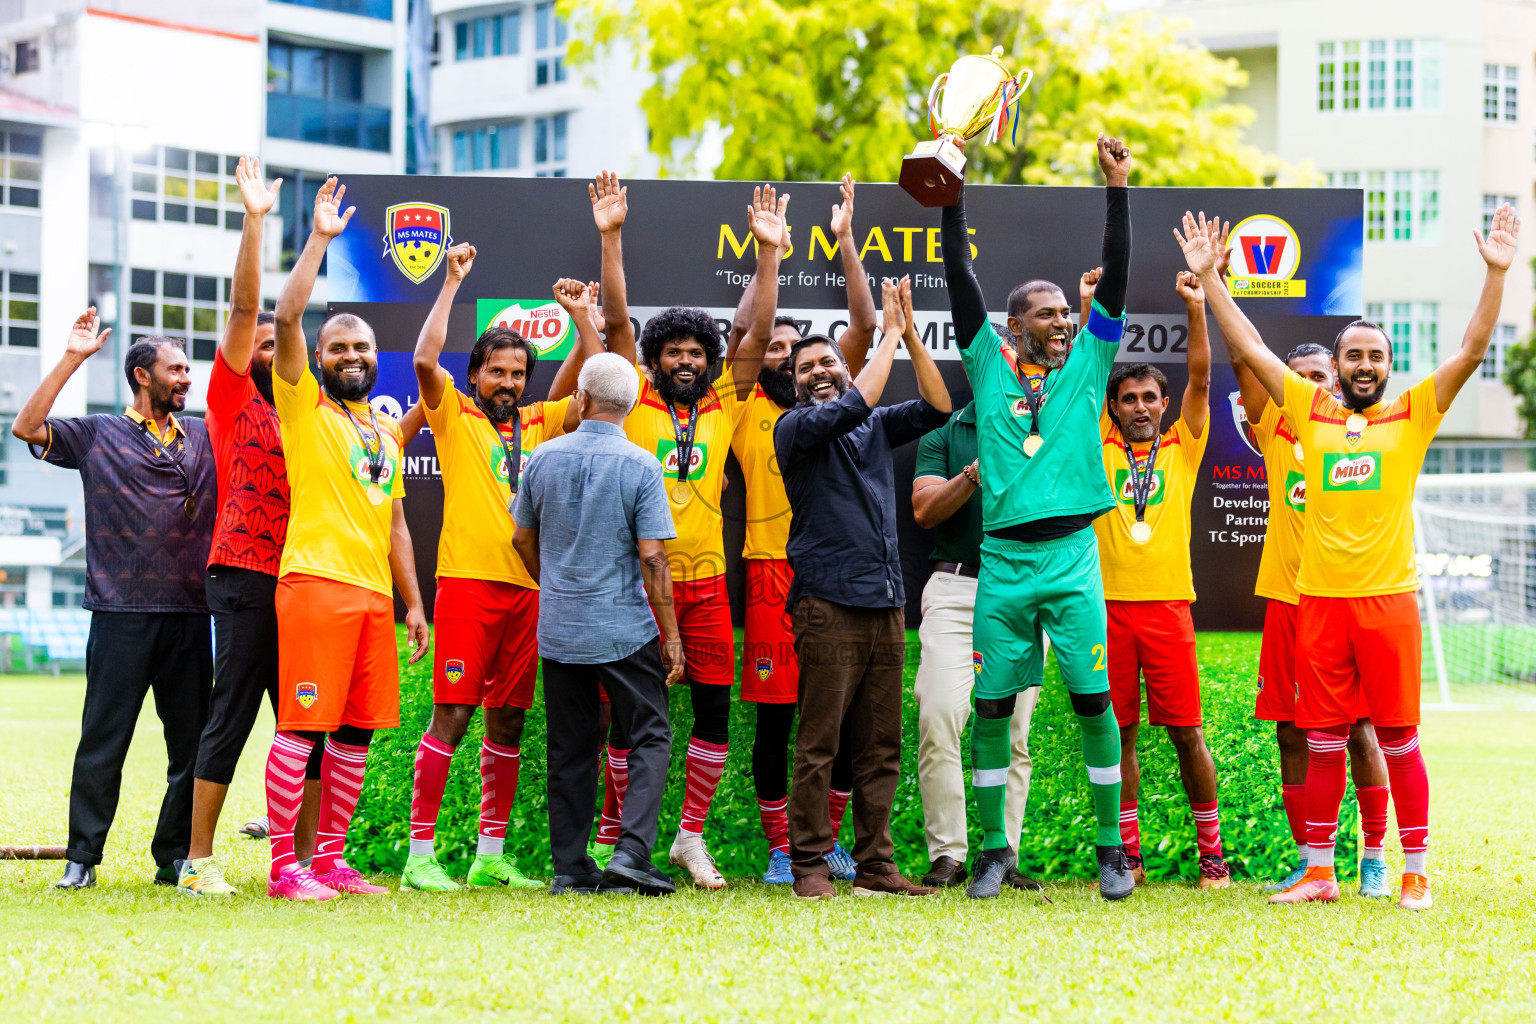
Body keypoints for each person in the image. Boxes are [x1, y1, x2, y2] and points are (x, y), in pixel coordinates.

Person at [1177, 202, 1521, 910]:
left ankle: (1414, 871)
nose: (1363, 366)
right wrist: (1213, 280)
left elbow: (1472, 351)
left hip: (1388, 603)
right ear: (1335, 367)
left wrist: (1495, 275)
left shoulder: (1415, 413)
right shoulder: (1311, 411)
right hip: (1319, 604)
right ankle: (1318, 873)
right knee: (1324, 737)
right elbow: (1252, 347)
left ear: (1390, 367)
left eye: (1375, 357)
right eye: (1353, 356)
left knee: (1397, 737)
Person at [940, 134, 1137, 900]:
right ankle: (994, 851)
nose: (1064, 320)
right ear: (1013, 325)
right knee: (991, 707)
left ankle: (1109, 849)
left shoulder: (1089, 363)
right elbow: (960, 276)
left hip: (1072, 559)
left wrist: (1115, 188)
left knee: (1094, 701)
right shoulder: (986, 364)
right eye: (1049, 313)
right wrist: (954, 198)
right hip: (1004, 564)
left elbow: (1115, 280)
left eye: (1067, 312)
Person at [593, 171, 786, 887]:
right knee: (628, 722)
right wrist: (611, 237)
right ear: (655, 360)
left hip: (706, 585)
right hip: (633, 585)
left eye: (695, 353)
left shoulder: (725, 400)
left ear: (709, 362)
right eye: (672, 351)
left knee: (711, 712)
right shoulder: (635, 397)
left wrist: (768, 256)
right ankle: (620, 838)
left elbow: (756, 330)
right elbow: (615, 324)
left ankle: (689, 838)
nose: (685, 360)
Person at [400, 243, 602, 893]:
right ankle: (419, 857)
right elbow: (426, 359)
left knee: (508, 721)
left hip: (529, 592)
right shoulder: (453, 413)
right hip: (467, 589)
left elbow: (594, 378)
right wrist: (453, 281)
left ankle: (489, 856)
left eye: (518, 373)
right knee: (452, 717)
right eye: (496, 372)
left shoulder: (542, 422)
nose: (508, 383)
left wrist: (583, 319)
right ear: (477, 374)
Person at [260, 177, 430, 901]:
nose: (352, 353)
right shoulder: (302, 403)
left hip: (372, 599)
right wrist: (320, 241)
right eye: (339, 346)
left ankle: (329, 860)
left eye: (362, 345)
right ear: (320, 357)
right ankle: (282, 869)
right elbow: (289, 312)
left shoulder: (384, 433)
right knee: (304, 725)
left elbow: (395, 524)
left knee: (357, 733)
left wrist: (413, 606)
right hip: (314, 585)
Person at [13, 312, 218, 890]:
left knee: (191, 745)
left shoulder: (204, 434)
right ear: (141, 376)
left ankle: (174, 856)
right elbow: (27, 427)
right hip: (119, 613)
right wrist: (74, 357)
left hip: (189, 613)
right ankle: (83, 859)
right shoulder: (97, 433)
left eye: (187, 368)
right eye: (174, 369)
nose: (185, 378)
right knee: (104, 741)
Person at [1218, 223, 1391, 897]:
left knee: (1361, 733)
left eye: (1324, 375)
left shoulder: (1368, 436)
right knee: (1292, 733)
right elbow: (1245, 359)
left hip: (1350, 600)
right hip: (1290, 606)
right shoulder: (1276, 427)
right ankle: (1311, 857)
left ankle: (1373, 857)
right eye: (1302, 376)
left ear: (1345, 379)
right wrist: (1217, 283)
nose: (1314, 384)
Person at [776, 277, 950, 899]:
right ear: (793, 382)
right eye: (806, 367)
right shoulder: (794, 428)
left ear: (845, 368)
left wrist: (910, 342)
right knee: (821, 743)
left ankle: (877, 868)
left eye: (828, 362)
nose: (819, 372)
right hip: (826, 603)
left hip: (885, 603)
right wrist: (889, 337)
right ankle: (810, 867)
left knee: (881, 745)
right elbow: (854, 402)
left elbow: (936, 406)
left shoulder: (873, 422)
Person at [730, 173, 873, 884]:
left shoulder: (835, 391)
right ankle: (785, 847)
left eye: (804, 349)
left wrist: (845, 240)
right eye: (781, 351)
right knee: (780, 719)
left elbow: (868, 331)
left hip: (838, 573)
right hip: (769, 572)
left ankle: (827, 840)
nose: (791, 356)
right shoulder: (749, 406)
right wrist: (770, 257)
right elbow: (751, 333)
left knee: (844, 718)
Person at [512, 352, 685, 897]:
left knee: (570, 747)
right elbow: (654, 558)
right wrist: (672, 635)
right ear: (630, 408)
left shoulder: (541, 457)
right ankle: (632, 851)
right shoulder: (641, 464)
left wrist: (557, 583)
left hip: (560, 627)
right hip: (623, 627)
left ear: (581, 399)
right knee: (651, 734)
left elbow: (520, 538)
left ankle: (570, 868)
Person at [1089, 270, 1229, 889]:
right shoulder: (1097, 443)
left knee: (1187, 733)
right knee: (1119, 734)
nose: (1140, 407)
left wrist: (1197, 307)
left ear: (1163, 404)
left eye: (1150, 397)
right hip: (1106, 610)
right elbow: (1090, 372)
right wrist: (1094, 305)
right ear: (1115, 408)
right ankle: (1129, 853)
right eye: (1129, 399)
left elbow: (1201, 375)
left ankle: (1211, 853)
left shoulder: (1183, 444)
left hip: (1169, 608)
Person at [176, 158, 287, 896]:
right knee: (234, 714)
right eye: (266, 346)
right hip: (244, 572)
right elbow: (246, 313)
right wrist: (255, 222)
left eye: (286, 343)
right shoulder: (233, 399)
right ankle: (198, 862)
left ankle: (300, 861)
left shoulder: (314, 414)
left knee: (302, 725)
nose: (270, 349)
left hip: (306, 576)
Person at [911, 390, 1040, 891]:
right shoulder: (947, 432)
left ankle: (1000, 854)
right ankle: (948, 854)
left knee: (1012, 731)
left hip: (1020, 587)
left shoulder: (1046, 425)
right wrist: (973, 473)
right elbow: (925, 511)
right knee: (938, 713)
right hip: (955, 587)